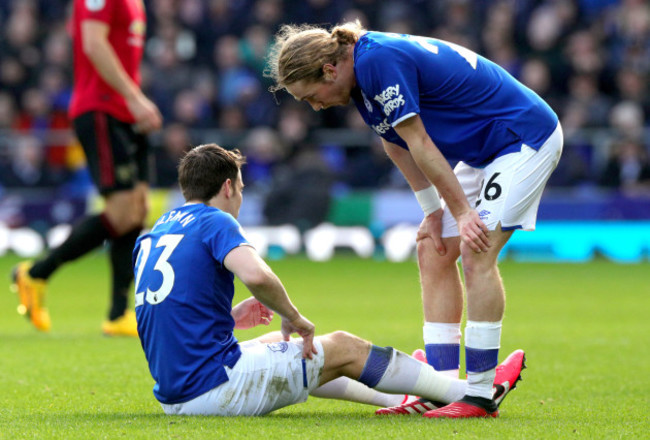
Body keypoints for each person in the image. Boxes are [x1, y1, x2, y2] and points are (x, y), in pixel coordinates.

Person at [266, 21, 561, 418]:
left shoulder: (378, 61)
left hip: (522, 139)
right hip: (485, 151)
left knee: (476, 252)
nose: (314, 106)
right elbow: (397, 144)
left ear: (329, 70)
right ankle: (439, 387)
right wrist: (432, 212)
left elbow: (420, 141)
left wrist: (458, 211)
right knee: (432, 249)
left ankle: (478, 394)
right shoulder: (361, 76)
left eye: (311, 96)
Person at [133, 143, 525, 417]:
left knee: (282, 346)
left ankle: (410, 395)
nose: (239, 199)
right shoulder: (215, 220)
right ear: (227, 187)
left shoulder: (155, 232)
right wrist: (291, 314)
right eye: (241, 189)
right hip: (213, 389)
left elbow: (161, 313)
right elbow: (256, 274)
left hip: (174, 395)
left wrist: (229, 317)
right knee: (341, 346)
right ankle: (473, 393)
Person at [11, 0, 162, 335]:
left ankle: (117, 314)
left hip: (126, 110)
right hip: (102, 108)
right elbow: (93, 43)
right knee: (122, 210)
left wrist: (133, 101)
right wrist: (135, 97)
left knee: (138, 210)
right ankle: (36, 274)